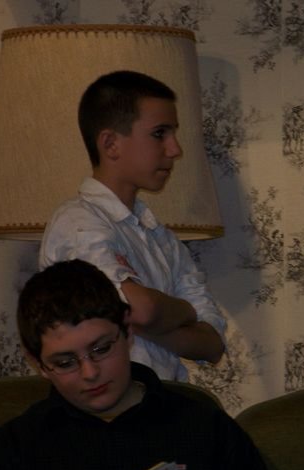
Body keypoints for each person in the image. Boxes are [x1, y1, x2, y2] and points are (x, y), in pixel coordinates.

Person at [0, 259, 270, 470]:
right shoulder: (12, 450)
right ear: (38, 363)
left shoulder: (205, 428)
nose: (90, 373)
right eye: (65, 362)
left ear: (127, 330)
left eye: (101, 349)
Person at [39, 70, 225, 381]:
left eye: (173, 133)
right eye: (159, 133)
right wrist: (184, 311)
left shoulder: (160, 237)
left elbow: (213, 344)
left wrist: (147, 319)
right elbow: (140, 310)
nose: (175, 149)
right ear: (111, 144)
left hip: (162, 401)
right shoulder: (77, 223)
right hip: (105, 406)